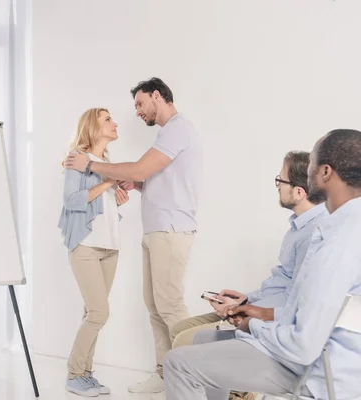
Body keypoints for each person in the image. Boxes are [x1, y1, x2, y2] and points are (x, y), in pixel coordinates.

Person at [164, 129, 361, 400]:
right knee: (197, 349)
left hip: (317, 371)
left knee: (179, 363)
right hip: (321, 357)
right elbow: (304, 310)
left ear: (326, 172)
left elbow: (303, 345)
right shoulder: (341, 227)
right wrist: (255, 313)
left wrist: (253, 326)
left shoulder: (337, 242)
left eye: (313, 163)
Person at [64, 77, 203, 394]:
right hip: (155, 230)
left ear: (157, 96)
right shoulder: (168, 134)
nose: (137, 113)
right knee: (155, 306)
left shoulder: (178, 128)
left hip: (170, 229)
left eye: (140, 104)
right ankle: (165, 373)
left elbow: (141, 169)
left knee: (170, 306)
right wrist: (133, 185)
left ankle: (195, 377)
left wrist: (96, 168)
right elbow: (152, 179)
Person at [171, 151, 327, 349]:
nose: (277, 186)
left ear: (299, 192)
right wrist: (246, 299)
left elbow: (295, 301)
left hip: (272, 323)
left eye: (281, 180)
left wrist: (247, 310)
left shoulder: (315, 233)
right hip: (261, 307)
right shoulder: (298, 227)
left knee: (183, 340)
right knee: (179, 329)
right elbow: (282, 282)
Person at [59, 108, 129, 397]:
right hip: (86, 247)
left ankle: (86, 374)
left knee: (92, 313)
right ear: (92, 126)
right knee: (99, 313)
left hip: (109, 247)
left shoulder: (105, 162)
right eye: (107, 119)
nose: (114, 124)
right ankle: (75, 374)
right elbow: (72, 199)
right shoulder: (78, 157)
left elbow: (102, 203)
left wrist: (116, 198)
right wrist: (109, 183)